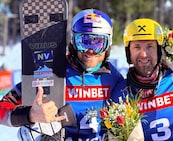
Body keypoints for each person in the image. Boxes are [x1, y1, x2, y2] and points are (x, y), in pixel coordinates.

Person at [0, 9, 124, 141]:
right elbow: (2, 108)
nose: (90, 50)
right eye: (83, 41)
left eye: (98, 42)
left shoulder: (113, 77)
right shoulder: (51, 72)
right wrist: (30, 115)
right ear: (73, 41)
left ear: (108, 45)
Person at [111, 18, 173, 141]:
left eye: (150, 46)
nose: (143, 54)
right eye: (137, 47)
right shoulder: (121, 93)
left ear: (159, 51)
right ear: (129, 53)